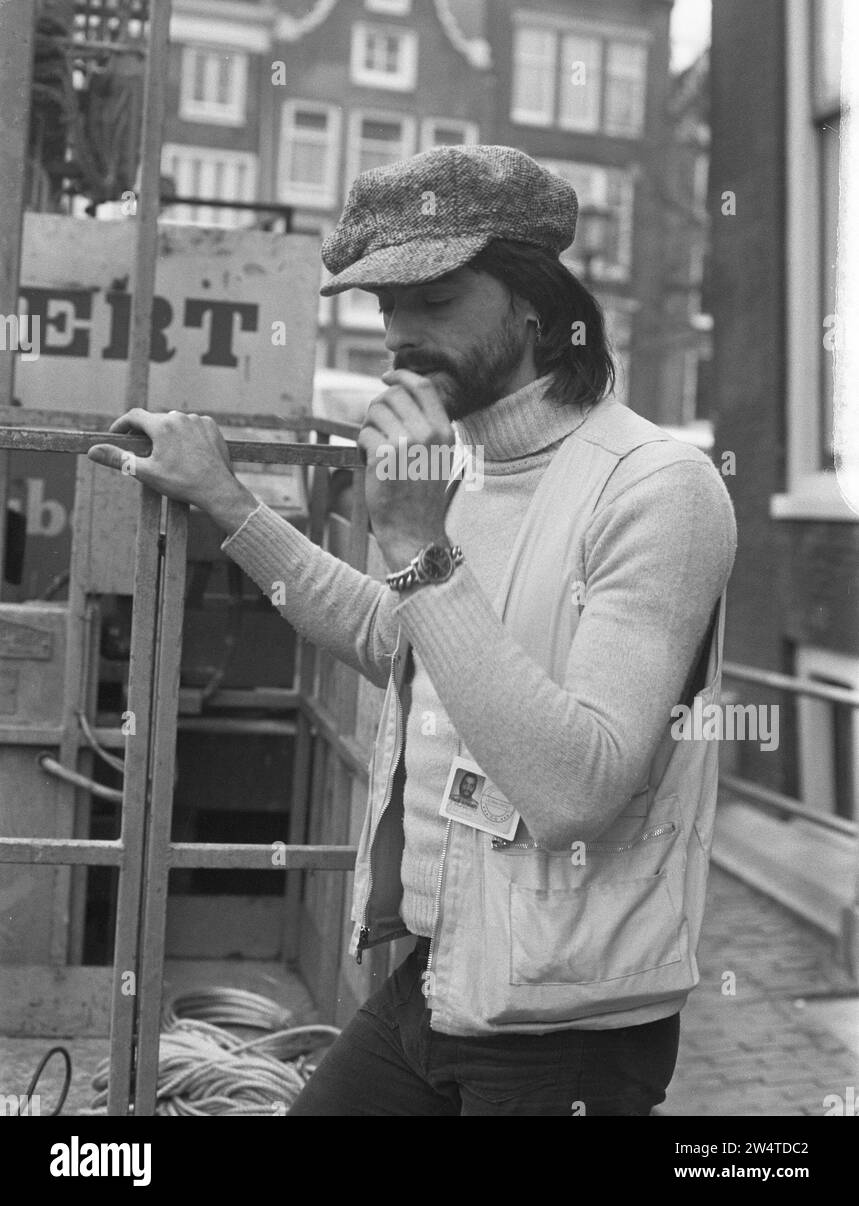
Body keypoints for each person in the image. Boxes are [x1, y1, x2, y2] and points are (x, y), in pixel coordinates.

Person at [88, 145, 737, 1117]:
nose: (397, 334)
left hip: (567, 1026)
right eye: (384, 306)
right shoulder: (471, 473)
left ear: (532, 306)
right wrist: (228, 501)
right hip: (439, 975)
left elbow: (579, 787)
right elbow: (399, 638)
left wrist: (418, 542)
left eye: (432, 301)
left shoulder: (657, 485)